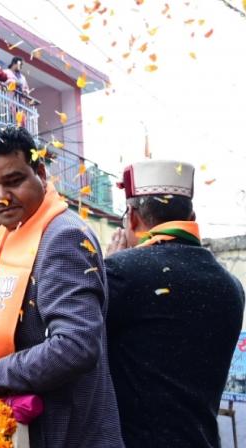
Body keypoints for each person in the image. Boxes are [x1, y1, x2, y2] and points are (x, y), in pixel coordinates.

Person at [0, 125, 123, 447]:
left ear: (40, 173)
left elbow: (75, 345)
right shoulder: (10, 232)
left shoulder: (63, 237)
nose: (1, 198)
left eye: (14, 181)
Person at [105, 160, 245, 447]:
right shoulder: (232, 286)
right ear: (191, 217)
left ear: (133, 217)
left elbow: (82, 350)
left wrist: (105, 269)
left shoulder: (121, 272)